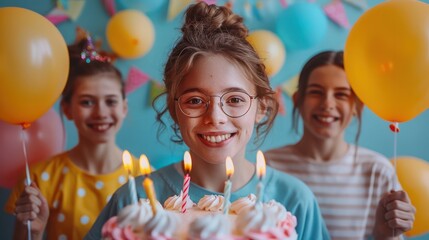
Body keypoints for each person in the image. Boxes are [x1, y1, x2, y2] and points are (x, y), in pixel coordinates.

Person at [84, 2, 330, 239]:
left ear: (261, 107)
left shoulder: (294, 200)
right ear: (174, 109)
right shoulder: (136, 199)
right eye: (195, 100)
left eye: (234, 99)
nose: (215, 118)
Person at [265, 50, 416, 239]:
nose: (327, 104)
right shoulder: (268, 166)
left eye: (341, 94)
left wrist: (384, 234)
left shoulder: (378, 171)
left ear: (357, 106)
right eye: (316, 92)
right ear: (297, 100)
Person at [4, 34, 140, 240]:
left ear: (124, 108)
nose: (101, 113)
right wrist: (34, 229)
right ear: (67, 109)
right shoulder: (39, 179)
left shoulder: (144, 179)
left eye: (111, 101)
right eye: (87, 102)